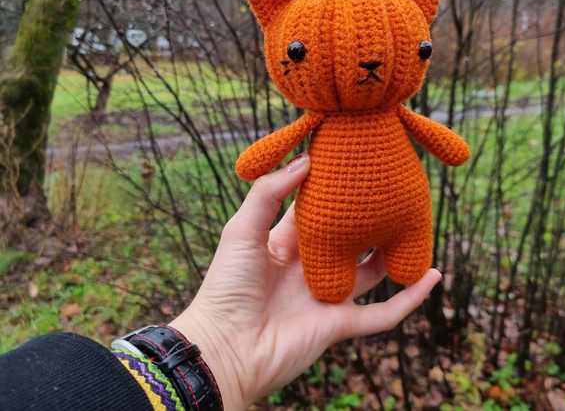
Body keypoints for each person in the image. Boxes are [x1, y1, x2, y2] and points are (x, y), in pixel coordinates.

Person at [0, 153, 441, 410]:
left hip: (395, 212)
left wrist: (216, 352)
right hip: (328, 231)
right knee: (330, 276)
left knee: (401, 264)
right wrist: (220, 354)